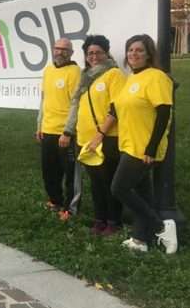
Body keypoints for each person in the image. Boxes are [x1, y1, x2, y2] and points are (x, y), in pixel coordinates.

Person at [90, 34, 177, 253]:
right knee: (143, 194)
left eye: (139, 50)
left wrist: (151, 147)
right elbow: (117, 110)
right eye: (130, 50)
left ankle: (161, 227)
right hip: (128, 144)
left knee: (118, 188)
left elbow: (164, 112)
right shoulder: (131, 78)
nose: (133, 54)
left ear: (149, 54)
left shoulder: (156, 77)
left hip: (143, 148)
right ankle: (141, 240)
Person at [60, 35, 126, 235]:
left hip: (106, 138)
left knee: (109, 182)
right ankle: (100, 220)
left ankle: (114, 222)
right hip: (84, 139)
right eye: (90, 53)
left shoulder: (114, 74)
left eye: (98, 52)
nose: (94, 56)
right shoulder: (85, 77)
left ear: (106, 53)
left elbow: (116, 107)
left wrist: (100, 134)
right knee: (96, 183)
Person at [36, 37, 82, 220]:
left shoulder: (75, 72)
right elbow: (43, 99)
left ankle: (70, 208)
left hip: (65, 133)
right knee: (49, 170)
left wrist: (68, 131)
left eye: (65, 49)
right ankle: (55, 200)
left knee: (70, 174)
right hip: (48, 129)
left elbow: (76, 103)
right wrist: (39, 125)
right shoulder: (48, 70)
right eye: (57, 48)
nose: (60, 52)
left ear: (71, 53)